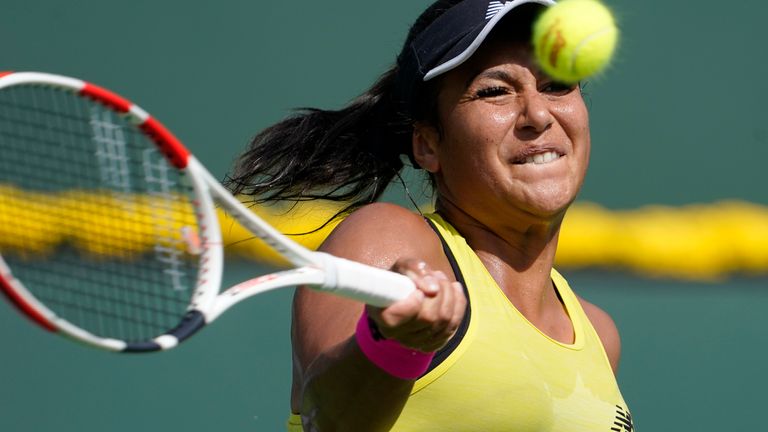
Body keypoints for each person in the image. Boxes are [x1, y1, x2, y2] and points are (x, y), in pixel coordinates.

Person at [227, 0, 634, 430]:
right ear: (428, 145)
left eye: (556, 85)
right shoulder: (387, 239)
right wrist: (393, 343)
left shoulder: (599, 334)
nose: (537, 114)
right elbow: (325, 420)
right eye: (495, 90)